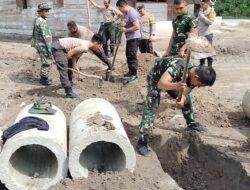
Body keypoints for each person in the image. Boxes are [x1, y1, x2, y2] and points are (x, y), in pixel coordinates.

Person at [137, 56, 216, 156]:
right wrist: (175, 86)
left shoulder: (194, 75)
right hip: (156, 79)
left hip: (175, 82)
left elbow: (186, 92)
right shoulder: (177, 66)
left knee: (187, 99)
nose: (199, 87)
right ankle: (142, 142)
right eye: (200, 85)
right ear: (196, 77)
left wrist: (181, 101)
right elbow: (161, 84)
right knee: (152, 107)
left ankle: (191, 123)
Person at [51, 34, 103, 98]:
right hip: (58, 48)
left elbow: (73, 54)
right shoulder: (85, 47)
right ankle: (69, 92)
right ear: (96, 43)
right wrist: (61, 62)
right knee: (63, 69)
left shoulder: (85, 44)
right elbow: (70, 53)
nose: (99, 48)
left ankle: (68, 82)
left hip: (60, 47)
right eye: (99, 45)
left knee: (68, 64)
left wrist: (75, 66)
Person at [116, 0, 141, 82]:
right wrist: (123, 23)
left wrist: (125, 30)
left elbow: (137, 27)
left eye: (120, 9)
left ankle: (134, 75)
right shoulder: (126, 13)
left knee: (132, 56)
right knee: (128, 55)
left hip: (134, 38)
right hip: (130, 38)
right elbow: (125, 21)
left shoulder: (132, 13)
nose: (120, 11)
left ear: (123, 6)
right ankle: (131, 72)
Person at [32, 3, 53, 86]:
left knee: (45, 60)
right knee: (46, 61)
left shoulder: (38, 19)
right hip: (43, 44)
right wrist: (49, 48)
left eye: (48, 10)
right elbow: (46, 36)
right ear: (40, 11)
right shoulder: (41, 21)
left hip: (39, 44)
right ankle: (44, 79)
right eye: (45, 11)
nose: (47, 12)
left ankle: (43, 77)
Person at [197, 0, 216, 66]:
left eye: (203, 4)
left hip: (207, 34)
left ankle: (209, 66)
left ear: (207, 3)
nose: (201, 5)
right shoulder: (201, 11)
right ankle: (202, 64)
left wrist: (202, 16)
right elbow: (199, 20)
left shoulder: (211, 11)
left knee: (208, 50)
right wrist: (196, 20)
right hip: (200, 33)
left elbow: (210, 22)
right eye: (200, 4)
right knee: (201, 50)